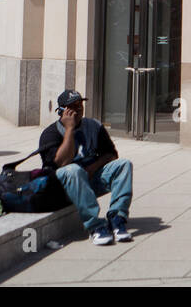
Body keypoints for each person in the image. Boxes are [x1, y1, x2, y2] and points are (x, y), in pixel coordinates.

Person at [38, 89, 134, 246]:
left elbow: (111, 154)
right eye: (73, 107)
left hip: (90, 179)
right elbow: (61, 163)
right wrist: (69, 129)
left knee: (123, 165)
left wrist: (92, 168)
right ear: (62, 111)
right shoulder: (50, 134)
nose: (78, 109)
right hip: (64, 188)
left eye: (80, 105)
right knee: (73, 170)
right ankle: (96, 227)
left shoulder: (94, 126)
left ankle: (117, 219)